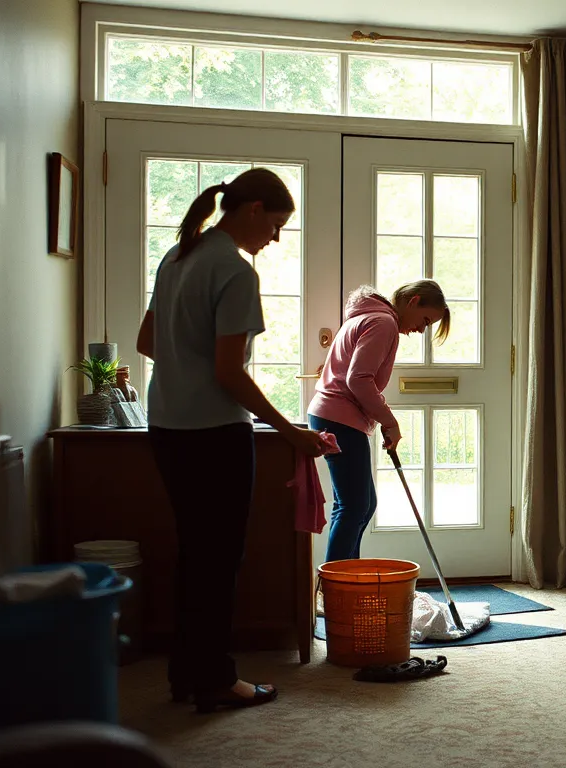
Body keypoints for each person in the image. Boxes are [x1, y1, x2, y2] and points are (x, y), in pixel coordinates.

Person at [136, 167, 333, 713]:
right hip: (213, 434)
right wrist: (291, 431)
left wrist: (184, 368)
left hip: (167, 427)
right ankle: (215, 681)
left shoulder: (177, 258)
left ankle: (188, 674)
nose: (274, 238)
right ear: (251, 211)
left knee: (194, 554)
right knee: (218, 560)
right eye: (275, 225)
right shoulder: (234, 271)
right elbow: (229, 372)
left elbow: (148, 340)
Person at [307, 280, 451, 563]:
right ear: (413, 301)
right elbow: (359, 379)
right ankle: (334, 588)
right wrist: (390, 422)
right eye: (424, 320)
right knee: (354, 506)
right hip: (340, 418)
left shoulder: (369, 315)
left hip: (334, 416)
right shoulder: (383, 322)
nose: (421, 330)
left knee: (361, 505)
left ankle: (348, 579)